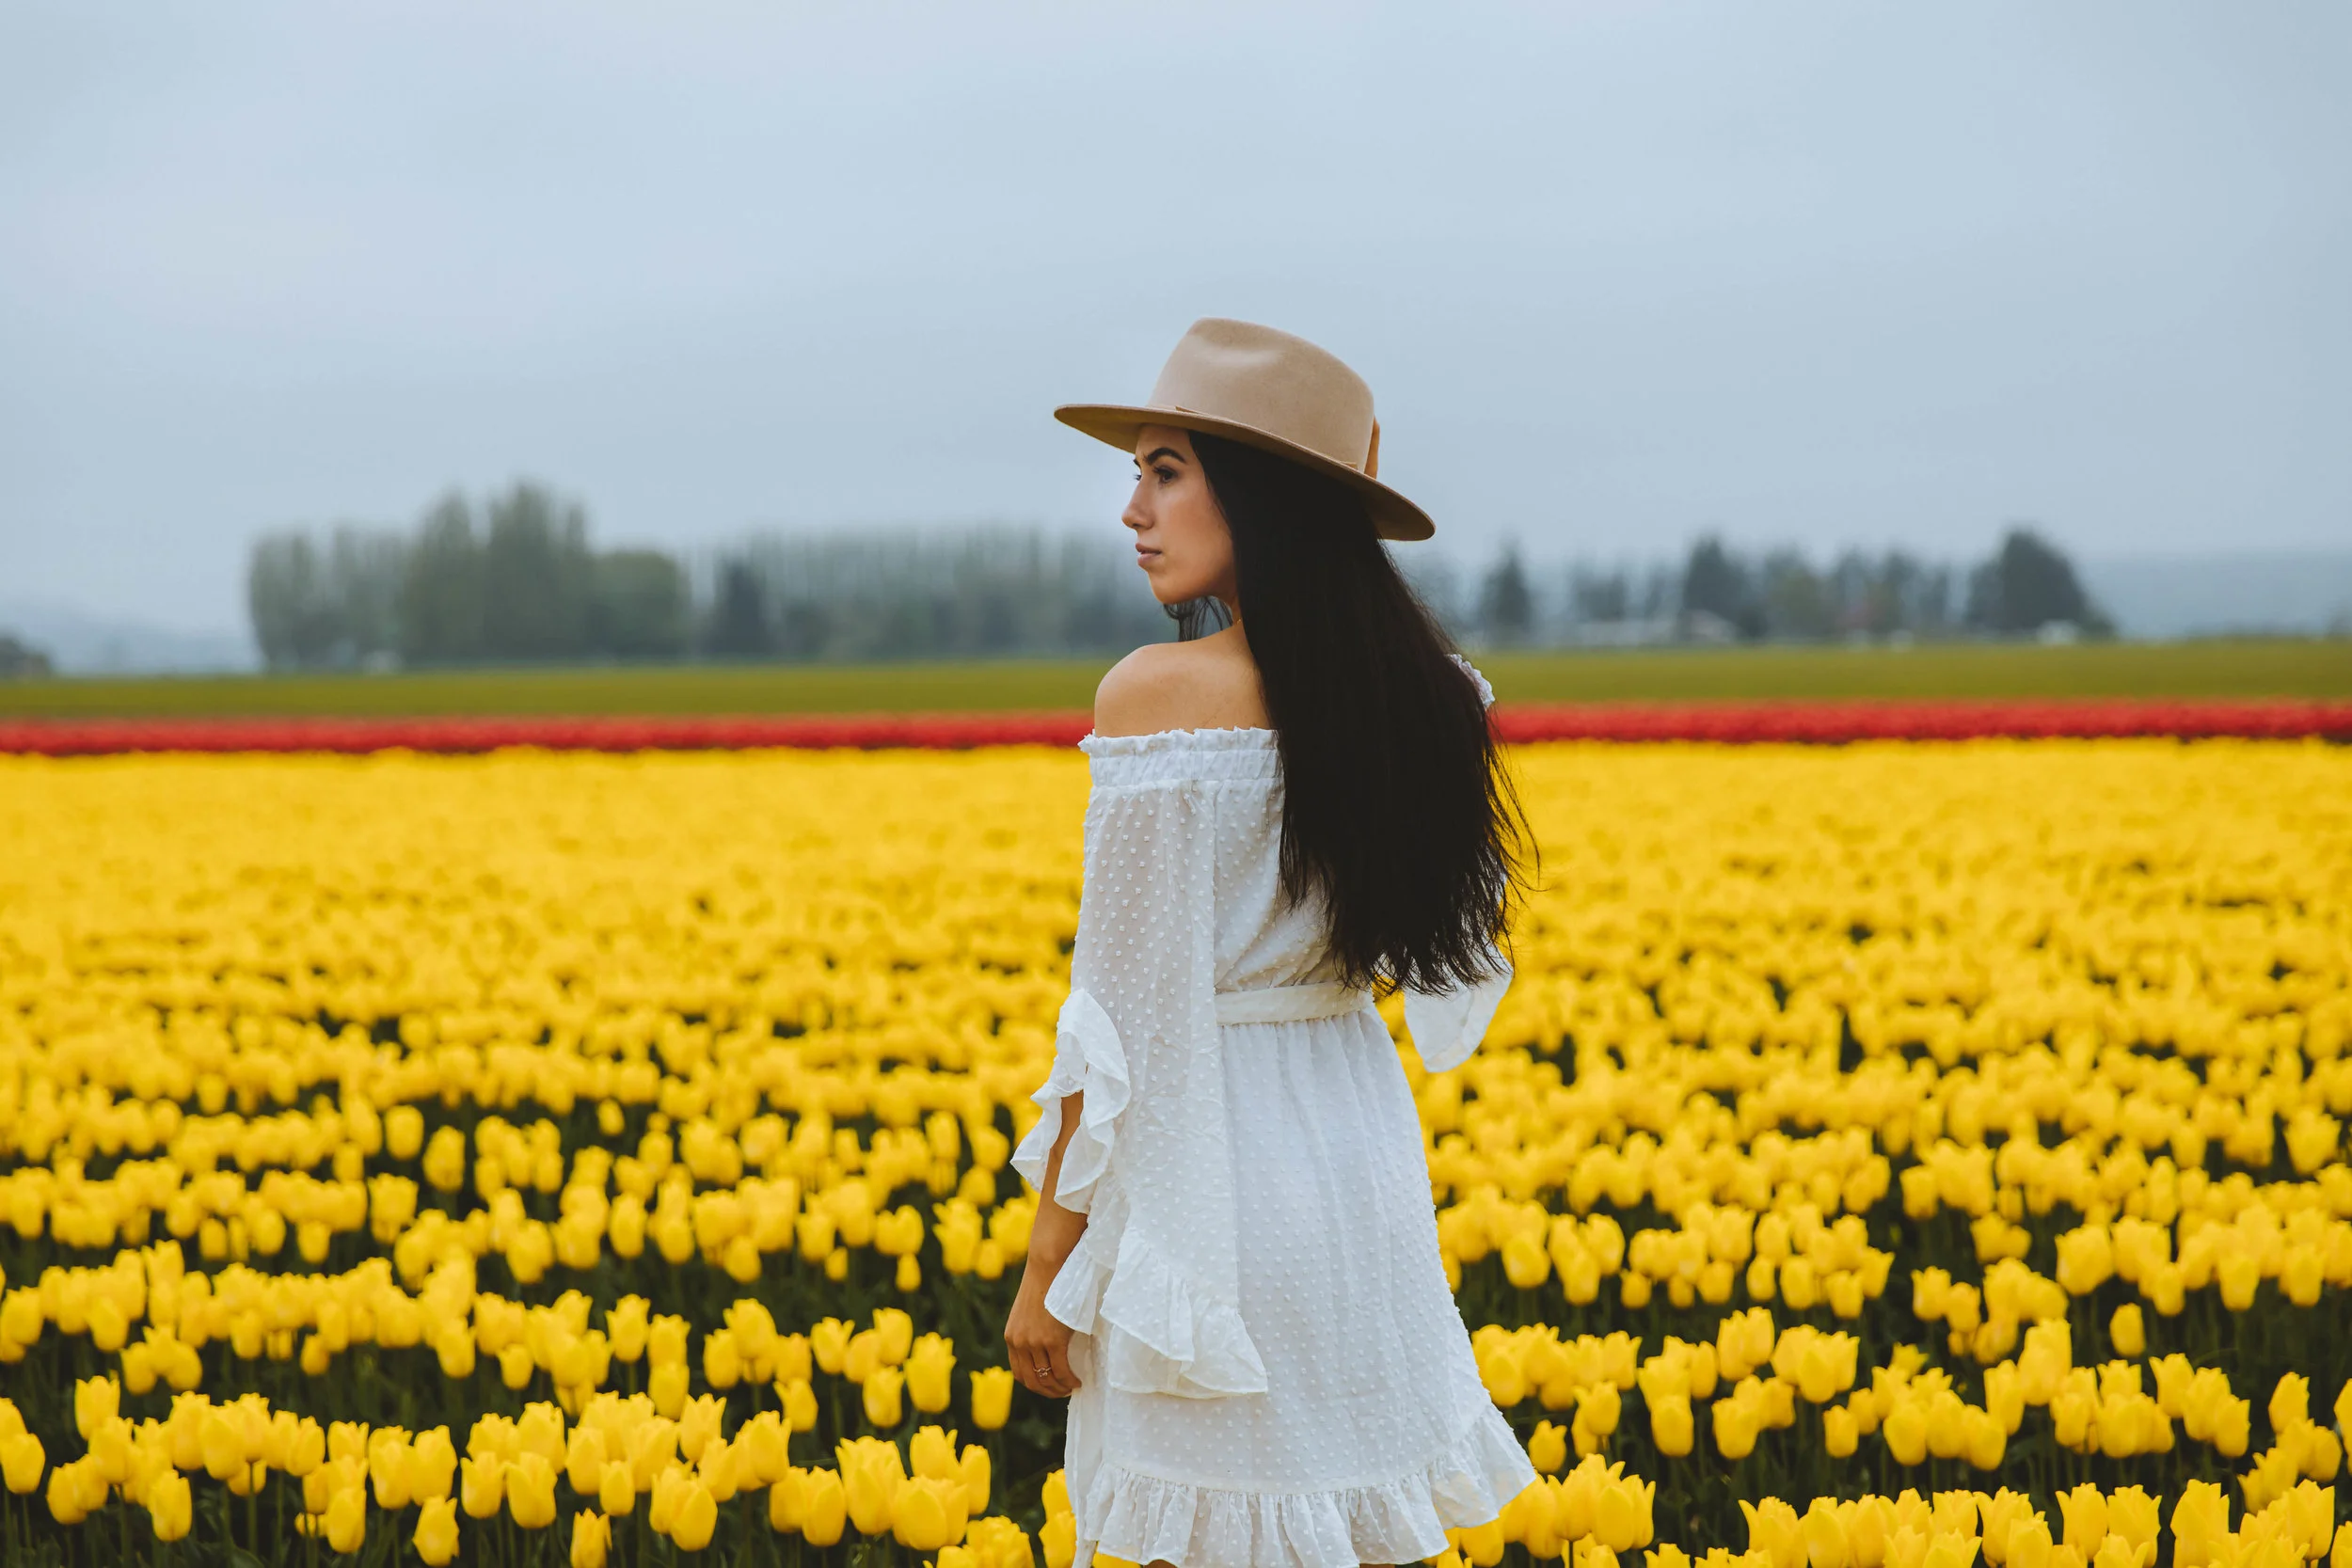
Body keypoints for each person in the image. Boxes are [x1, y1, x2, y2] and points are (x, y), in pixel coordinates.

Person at [1005, 317, 1541, 1568]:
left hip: (1213, 1190)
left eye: (1166, 469)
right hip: (1357, 1167)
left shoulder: (1155, 697)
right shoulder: (1429, 697)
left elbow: (1120, 1021)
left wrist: (1046, 1270)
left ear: (1265, 493)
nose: (1131, 507)